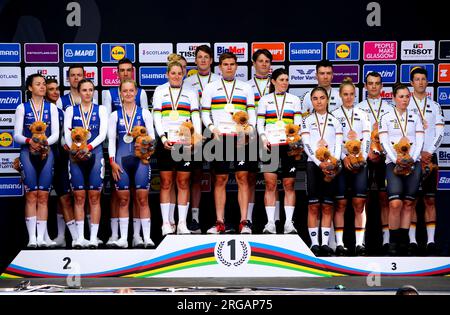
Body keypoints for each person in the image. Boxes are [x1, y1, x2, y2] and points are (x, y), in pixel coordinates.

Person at [202, 52, 256, 234]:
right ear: (219, 67)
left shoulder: (245, 88)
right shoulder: (211, 87)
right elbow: (204, 113)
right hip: (220, 137)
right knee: (220, 179)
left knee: (243, 178)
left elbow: (252, 113)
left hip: (240, 138)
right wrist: (211, 128)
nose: (229, 67)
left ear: (237, 66)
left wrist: (248, 130)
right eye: (225, 64)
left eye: (232, 64)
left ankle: (244, 222)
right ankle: (219, 222)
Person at [103, 57, 150, 248]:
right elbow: (111, 139)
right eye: (125, 91)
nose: (129, 94)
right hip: (121, 159)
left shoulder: (144, 111)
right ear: (120, 94)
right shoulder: (114, 114)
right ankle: (122, 238)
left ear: (135, 92)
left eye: (131, 91)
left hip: (140, 159)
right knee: (122, 198)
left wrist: (147, 152)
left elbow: (150, 135)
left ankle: (144, 238)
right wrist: (112, 161)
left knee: (142, 197)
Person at [153, 58, 201, 236]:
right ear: (167, 74)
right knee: (166, 183)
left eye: (179, 73)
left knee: (183, 182)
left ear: (184, 74)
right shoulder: (160, 90)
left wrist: (194, 137)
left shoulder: (191, 91)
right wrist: (163, 137)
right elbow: (157, 116)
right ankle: (166, 223)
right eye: (173, 73)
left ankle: (181, 223)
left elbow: (195, 116)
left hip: (185, 142)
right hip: (166, 142)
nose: (176, 76)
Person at [14, 74, 59, 248]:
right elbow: (16, 134)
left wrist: (44, 142)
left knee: (44, 196)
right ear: (30, 88)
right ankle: (32, 239)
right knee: (31, 196)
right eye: (38, 84)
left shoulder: (52, 108)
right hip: (27, 152)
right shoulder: (22, 107)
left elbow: (55, 133)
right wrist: (30, 142)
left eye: (43, 84)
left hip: (46, 152)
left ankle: (41, 238)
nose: (42, 87)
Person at [379, 83, 424, 256]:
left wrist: (412, 158)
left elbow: (419, 140)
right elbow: (384, 141)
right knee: (395, 203)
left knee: (408, 203)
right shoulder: (386, 117)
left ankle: (404, 242)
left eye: (407, 96)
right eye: (401, 96)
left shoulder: (415, 117)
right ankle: (393, 242)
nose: (404, 99)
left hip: (414, 162)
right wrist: (395, 158)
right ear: (393, 98)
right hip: (393, 163)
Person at [257, 68, 302, 234]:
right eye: (281, 79)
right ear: (273, 82)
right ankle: (270, 223)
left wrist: (293, 138)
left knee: (289, 184)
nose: (284, 83)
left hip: (289, 146)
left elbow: (297, 124)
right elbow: (260, 124)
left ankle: (289, 223)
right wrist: (263, 138)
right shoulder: (265, 100)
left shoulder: (294, 100)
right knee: (270, 184)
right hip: (271, 146)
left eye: (286, 80)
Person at [64, 79, 107, 249]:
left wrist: (88, 147)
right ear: (79, 91)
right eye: (84, 90)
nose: (88, 93)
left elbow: (102, 133)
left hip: (94, 154)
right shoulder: (70, 110)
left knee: (95, 197)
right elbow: (67, 134)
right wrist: (75, 150)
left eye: (90, 90)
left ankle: (93, 238)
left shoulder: (101, 109)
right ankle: (80, 238)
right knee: (79, 197)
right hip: (76, 157)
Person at [331, 78, 371, 256]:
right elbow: (333, 141)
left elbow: (368, 138)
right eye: (345, 94)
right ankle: (339, 244)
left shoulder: (362, 114)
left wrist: (360, 158)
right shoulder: (333, 115)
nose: (348, 98)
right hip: (341, 163)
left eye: (351, 94)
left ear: (356, 95)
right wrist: (344, 157)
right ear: (340, 95)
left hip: (360, 163)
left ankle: (359, 243)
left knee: (359, 204)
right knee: (340, 204)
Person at [301, 86, 343, 256]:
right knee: (313, 207)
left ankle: (324, 243)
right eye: (315, 98)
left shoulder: (335, 120)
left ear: (327, 100)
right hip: (313, 165)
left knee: (327, 206)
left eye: (322, 98)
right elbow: (307, 145)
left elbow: (338, 145)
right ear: (312, 101)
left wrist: (333, 163)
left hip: (331, 167)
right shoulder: (306, 121)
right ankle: (314, 244)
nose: (319, 101)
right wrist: (320, 163)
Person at [407, 67, 445, 256]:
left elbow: (440, 133)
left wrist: (429, 152)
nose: (420, 82)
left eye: (423, 79)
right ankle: (412, 241)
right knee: (411, 200)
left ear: (427, 82)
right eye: (417, 79)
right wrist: (417, 154)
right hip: (412, 158)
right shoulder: (405, 104)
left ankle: (430, 241)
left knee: (430, 200)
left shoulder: (435, 106)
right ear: (411, 83)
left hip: (430, 157)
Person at [184, 45, 220, 233]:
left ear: (212, 60)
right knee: (195, 176)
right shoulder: (188, 82)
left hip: (216, 131)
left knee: (218, 176)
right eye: (200, 57)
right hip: (195, 132)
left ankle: (217, 219)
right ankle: (195, 219)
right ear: (195, 60)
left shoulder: (219, 80)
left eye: (207, 57)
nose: (203, 60)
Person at [356, 71, 394, 253]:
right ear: (365, 86)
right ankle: (361, 240)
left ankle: (386, 240)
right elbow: (356, 135)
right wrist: (369, 152)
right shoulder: (359, 108)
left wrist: (381, 152)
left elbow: (394, 135)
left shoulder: (389, 108)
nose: (373, 86)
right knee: (362, 200)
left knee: (384, 199)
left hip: (384, 158)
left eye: (377, 83)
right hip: (365, 158)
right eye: (370, 83)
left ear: (381, 86)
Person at [247, 49, 281, 229]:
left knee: (272, 181)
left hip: (274, 139)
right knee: (250, 178)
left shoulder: (278, 83)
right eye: (260, 61)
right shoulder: (246, 86)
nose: (264, 64)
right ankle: (248, 220)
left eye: (267, 61)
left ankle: (273, 221)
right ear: (253, 63)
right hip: (253, 138)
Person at [45, 79, 78, 247]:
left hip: (60, 159)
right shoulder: (33, 111)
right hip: (39, 160)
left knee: (64, 198)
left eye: (57, 89)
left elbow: (66, 136)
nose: (55, 92)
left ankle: (73, 238)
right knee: (39, 198)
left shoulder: (61, 112)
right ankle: (42, 238)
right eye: (51, 89)